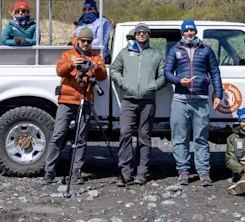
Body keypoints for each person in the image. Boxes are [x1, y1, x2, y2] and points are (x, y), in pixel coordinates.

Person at [43, 27, 107, 185]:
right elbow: (59, 71)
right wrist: (72, 64)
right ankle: (49, 170)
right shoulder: (68, 54)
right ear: (78, 40)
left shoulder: (96, 57)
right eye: (83, 41)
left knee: (81, 138)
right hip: (67, 100)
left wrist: (96, 67)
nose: (85, 44)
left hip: (85, 100)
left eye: (88, 41)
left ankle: (76, 172)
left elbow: (103, 76)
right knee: (58, 135)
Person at [164, 19, 223, 187]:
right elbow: (167, 72)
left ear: (195, 32)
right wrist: (178, 81)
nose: (189, 33)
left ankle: (204, 172)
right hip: (180, 100)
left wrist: (218, 95)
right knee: (179, 138)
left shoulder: (206, 50)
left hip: (201, 100)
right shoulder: (175, 50)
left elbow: (215, 73)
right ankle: (183, 171)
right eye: (186, 30)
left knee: (201, 138)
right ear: (182, 33)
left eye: (192, 30)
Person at [110, 23, 166, 186]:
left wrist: (153, 86)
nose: (141, 34)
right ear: (135, 35)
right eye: (139, 32)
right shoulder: (124, 53)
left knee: (144, 137)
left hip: (148, 101)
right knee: (125, 134)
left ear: (148, 35)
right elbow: (114, 70)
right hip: (128, 100)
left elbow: (163, 76)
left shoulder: (156, 54)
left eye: (144, 32)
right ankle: (125, 174)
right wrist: (123, 83)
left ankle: (142, 173)